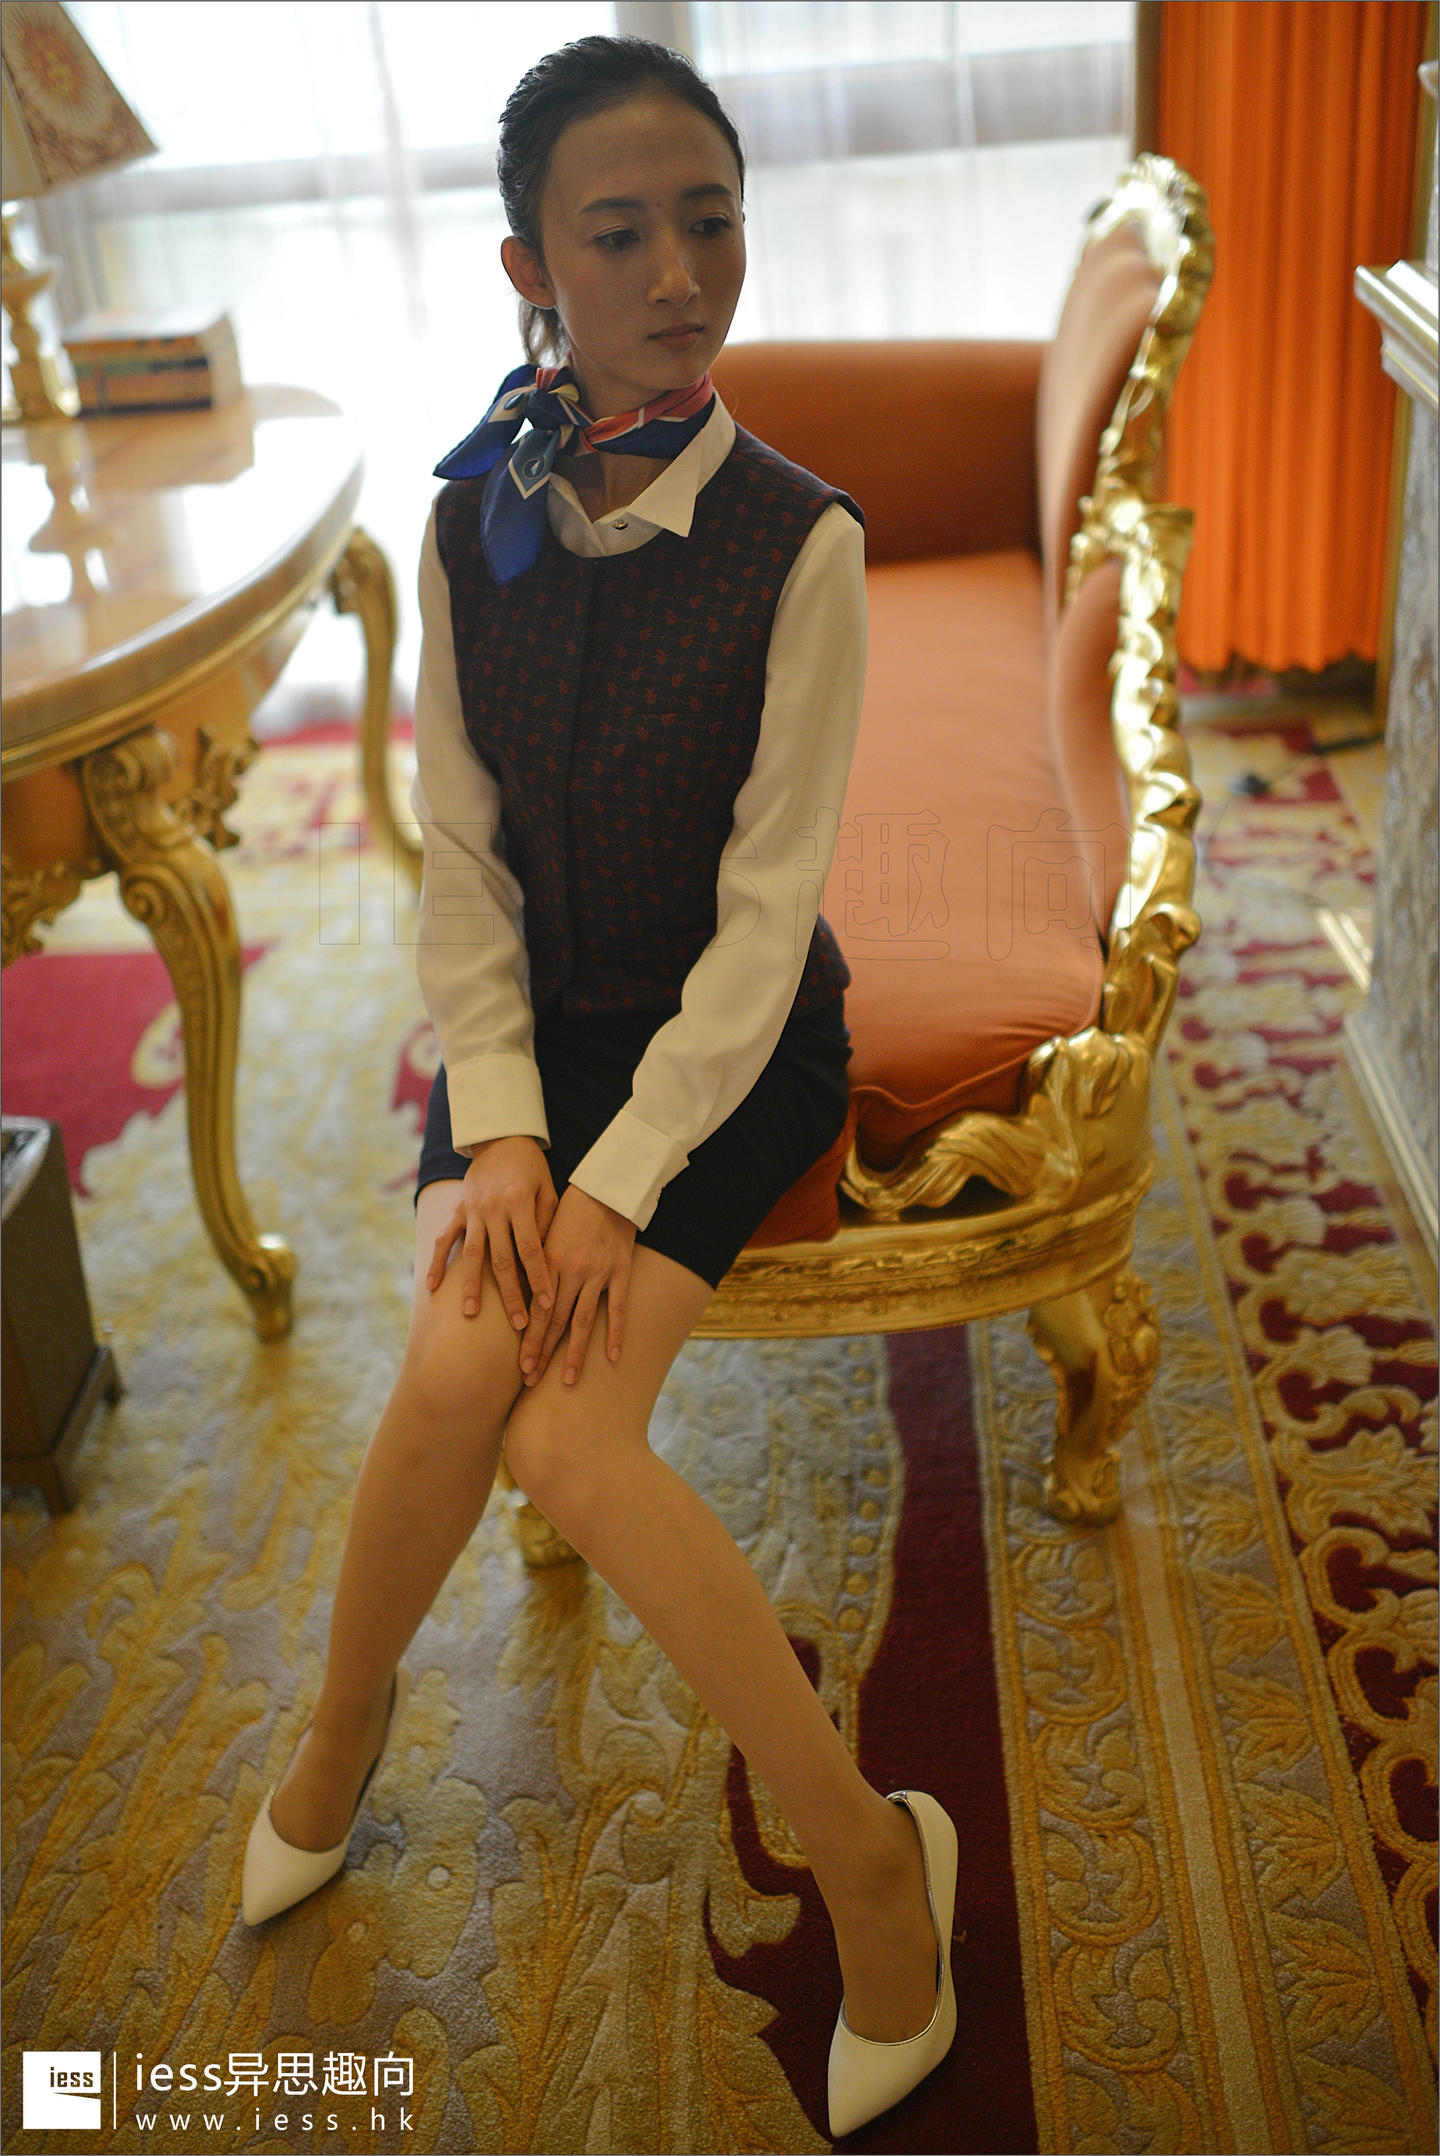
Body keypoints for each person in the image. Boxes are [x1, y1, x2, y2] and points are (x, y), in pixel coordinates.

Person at [241, 34, 958, 2137]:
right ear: (528, 268)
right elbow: (460, 859)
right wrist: (505, 1133)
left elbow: (767, 918)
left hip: (729, 1043)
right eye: (620, 232)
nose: (677, 272)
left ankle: (868, 1857)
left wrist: (617, 1175)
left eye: (708, 221)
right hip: (535, 1039)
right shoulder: (469, 516)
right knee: (457, 1369)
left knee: (558, 1429)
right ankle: (347, 1724)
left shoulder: (803, 544)